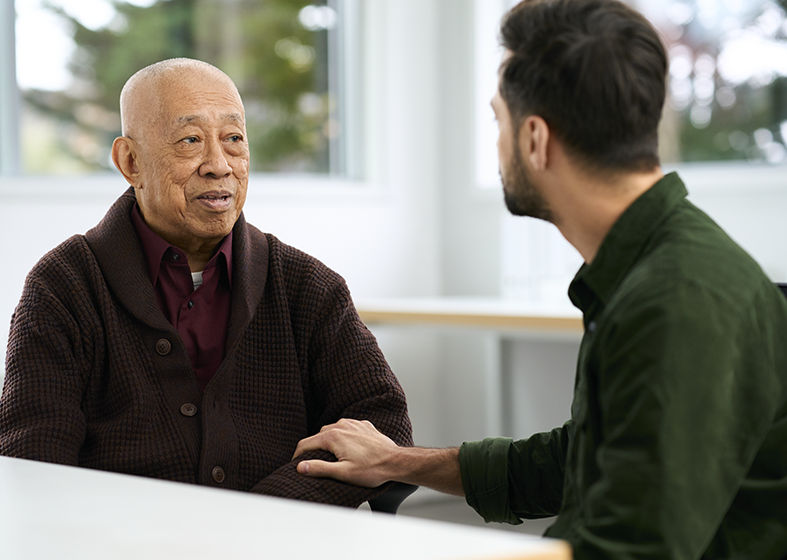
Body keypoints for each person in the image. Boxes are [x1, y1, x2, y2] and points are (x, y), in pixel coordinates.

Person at [293, 0, 787, 556]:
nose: (498, 145)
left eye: (497, 121)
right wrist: (399, 461)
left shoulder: (678, 303)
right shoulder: (652, 268)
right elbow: (578, 460)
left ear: (535, 139)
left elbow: (627, 550)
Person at [0, 58, 412, 508]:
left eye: (233, 140)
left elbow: (382, 428)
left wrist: (259, 522)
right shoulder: (64, 287)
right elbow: (31, 461)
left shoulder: (307, 287)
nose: (219, 165)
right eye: (190, 140)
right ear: (131, 162)